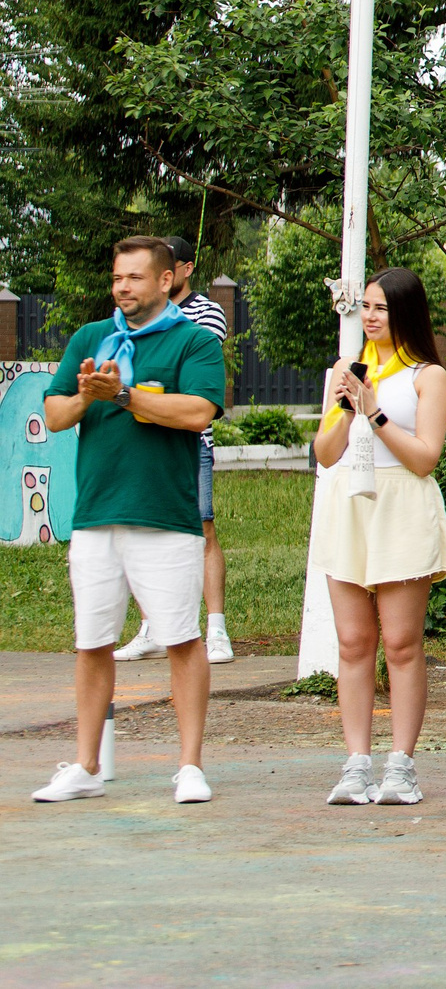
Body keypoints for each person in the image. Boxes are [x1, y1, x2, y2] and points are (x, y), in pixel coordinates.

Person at [32, 237, 227, 805]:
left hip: (165, 516)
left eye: (135, 278)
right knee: (92, 642)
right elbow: (55, 412)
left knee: (181, 640)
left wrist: (123, 395)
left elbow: (197, 412)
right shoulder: (90, 338)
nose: (123, 287)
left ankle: (190, 767)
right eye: (118, 277)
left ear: (166, 280)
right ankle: (87, 766)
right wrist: (91, 395)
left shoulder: (193, 340)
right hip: (95, 515)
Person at [307, 267, 446, 805]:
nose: (369, 317)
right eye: (365, 307)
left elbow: (425, 458)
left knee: (400, 642)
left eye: (381, 308)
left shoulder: (426, 375)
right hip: (349, 504)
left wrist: (377, 411)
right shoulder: (344, 371)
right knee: (352, 643)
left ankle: (401, 766)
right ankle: (355, 764)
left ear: (405, 313)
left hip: (402, 505)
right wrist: (347, 409)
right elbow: (325, 454)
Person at [116, 233, 236, 668]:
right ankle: (153, 629)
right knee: (140, 532)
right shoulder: (133, 317)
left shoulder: (205, 313)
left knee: (202, 531)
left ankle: (216, 630)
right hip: (141, 443)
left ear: (183, 270)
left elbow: (186, 371)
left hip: (190, 443)